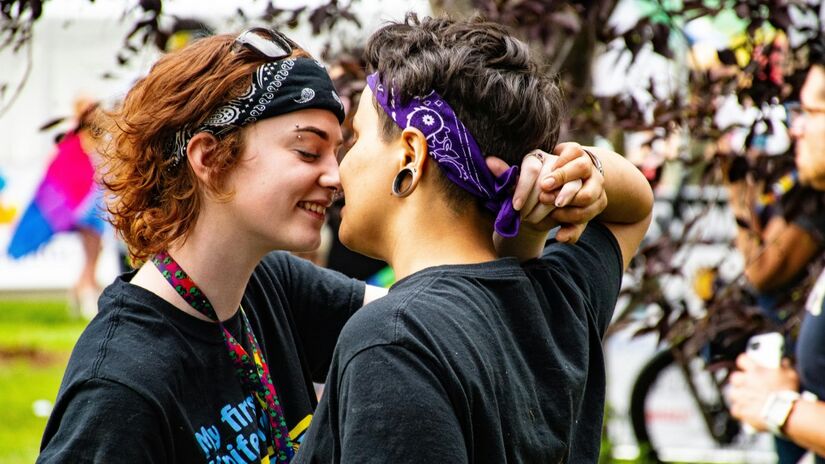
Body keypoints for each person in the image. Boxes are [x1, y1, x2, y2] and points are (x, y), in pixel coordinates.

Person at [37, 28, 600, 463]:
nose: (335, 176)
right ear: (208, 158)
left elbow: (461, 315)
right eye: (309, 152)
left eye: (340, 149)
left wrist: (550, 187)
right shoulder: (117, 388)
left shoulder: (272, 287)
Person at [294, 14, 653, 463]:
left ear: (410, 154)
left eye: (355, 137)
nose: (338, 168)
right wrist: (585, 172)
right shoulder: (559, 299)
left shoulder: (394, 342)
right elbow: (634, 209)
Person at [729, 61, 825, 462]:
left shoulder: (809, 202)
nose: (796, 128)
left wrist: (781, 408)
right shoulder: (794, 183)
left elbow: (761, 269)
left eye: (812, 112)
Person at [7, 96, 107, 319]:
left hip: (93, 207)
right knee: (92, 252)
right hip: (82, 209)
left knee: (94, 252)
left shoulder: (97, 141)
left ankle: (82, 290)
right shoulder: (74, 143)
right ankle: (88, 296)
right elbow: (63, 174)